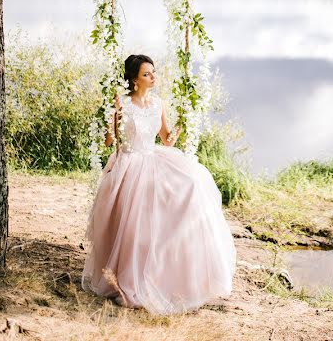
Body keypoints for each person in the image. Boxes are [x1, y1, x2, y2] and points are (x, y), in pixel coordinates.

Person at [82, 54, 236, 313]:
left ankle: (170, 271)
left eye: (154, 73)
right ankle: (129, 276)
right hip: (130, 163)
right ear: (133, 79)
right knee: (135, 222)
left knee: (192, 184)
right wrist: (111, 116)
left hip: (154, 157)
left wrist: (183, 122)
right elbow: (110, 141)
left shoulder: (158, 104)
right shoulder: (122, 104)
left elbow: (166, 139)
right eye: (147, 74)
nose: (153, 78)